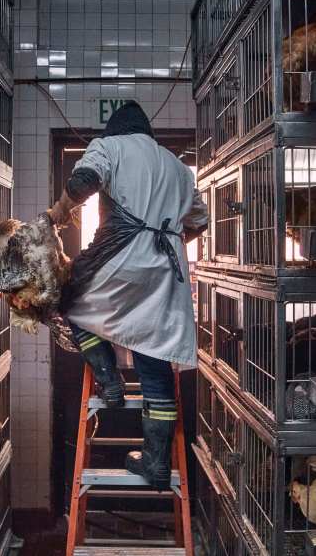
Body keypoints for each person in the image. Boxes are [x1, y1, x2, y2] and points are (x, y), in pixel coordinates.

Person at [47, 101, 209, 490]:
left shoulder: (110, 147)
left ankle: (109, 378)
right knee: (154, 360)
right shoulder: (175, 165)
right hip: (166, 277)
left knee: (64, 297)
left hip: (117, 260)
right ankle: (155, 463)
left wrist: (57, 214)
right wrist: (165, 241)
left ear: (115, 130)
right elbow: (199, 221)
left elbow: (81, 182)